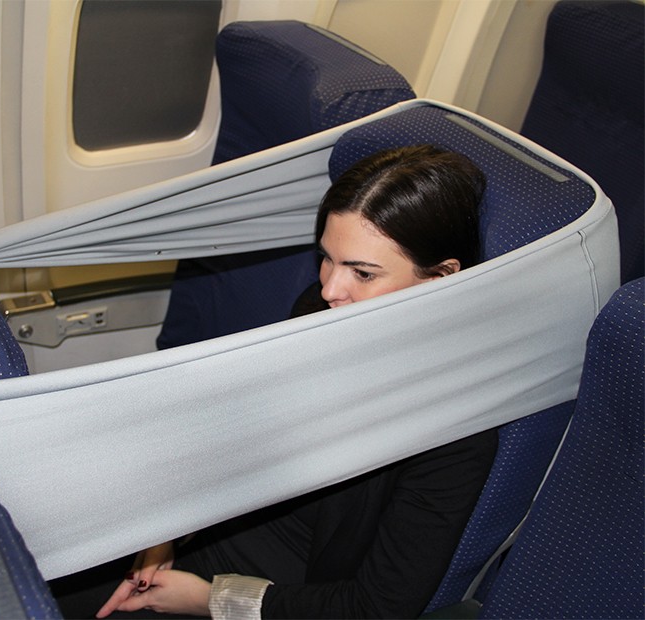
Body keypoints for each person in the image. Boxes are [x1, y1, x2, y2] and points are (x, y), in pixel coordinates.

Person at [54, 144, 496, 619]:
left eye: (363, 273)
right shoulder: (317, 312)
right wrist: (167, 526)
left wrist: (208, 600)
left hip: (279, 600)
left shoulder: (455, 430)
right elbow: (238, 434)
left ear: (439, 278)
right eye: (327, 258)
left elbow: (376, 607)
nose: (330, 288)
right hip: (207, 527)